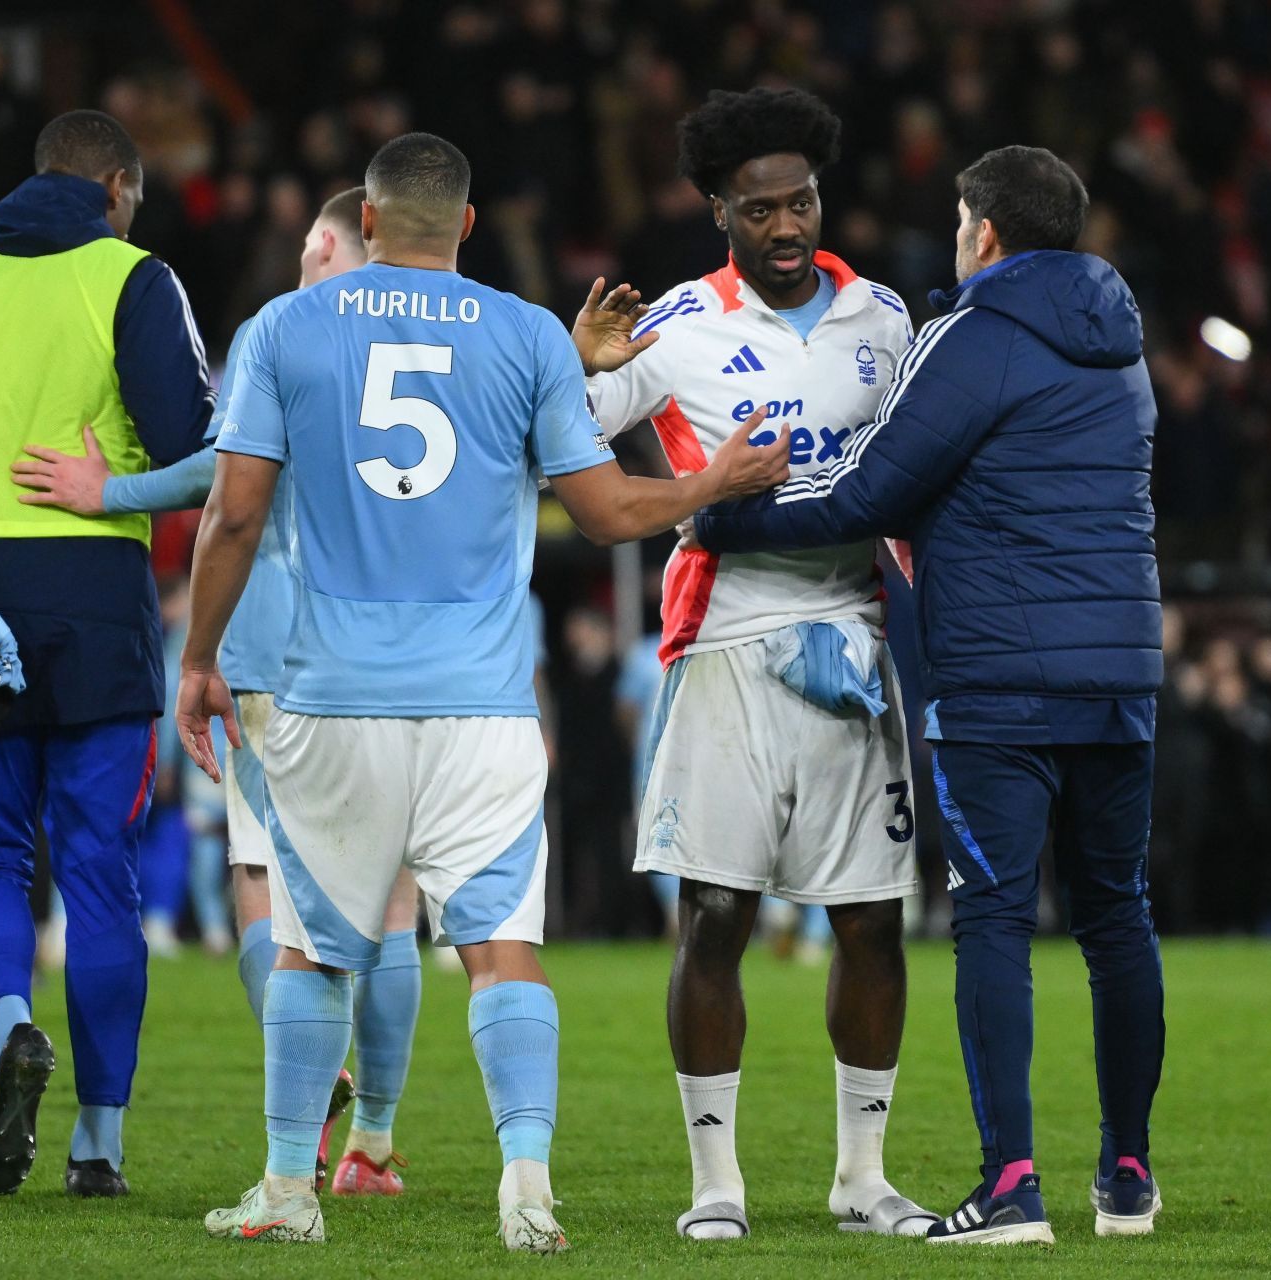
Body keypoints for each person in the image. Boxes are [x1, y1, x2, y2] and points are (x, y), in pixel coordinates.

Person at [176, 131, 787, 1248]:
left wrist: (200, 657)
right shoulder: (523, 332)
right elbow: (603, 513)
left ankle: (288, 1186)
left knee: (314, 945)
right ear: (464, 226)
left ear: (365, 223)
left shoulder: (282, 329)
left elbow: (234, 513)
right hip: (487, 703)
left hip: (332, 695)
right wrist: (710, 480)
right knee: (502, 944)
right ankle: (525, 1178)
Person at [692, 145, 1167, 1243]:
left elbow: (869, 490)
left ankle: (1012, 1184)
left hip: (1002, 675)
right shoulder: (1123, 344)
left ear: (984, 232)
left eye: (961, 224)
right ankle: (1129, 1173)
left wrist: (723, 512)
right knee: (1117, 917)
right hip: (1122, 669)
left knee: (995, 916)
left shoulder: (975, 335)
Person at [572, 86, 933, 1241]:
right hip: (725, 634)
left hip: (855, 637)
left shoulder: (881, 319)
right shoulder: (674, 325)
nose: (787, 225)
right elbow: (567, 447)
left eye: (803, 202)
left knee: (872, 918)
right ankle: (715, 1185)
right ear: (719, 210)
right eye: (762, 207)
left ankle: (861, 1175)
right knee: (716, 911)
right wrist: (581, 370)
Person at [8, 186, 417, 1196]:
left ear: (323, 240)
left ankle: (301, 1140)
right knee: (395, 899)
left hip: (278, 650)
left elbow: (222, 483)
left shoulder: (280, 331)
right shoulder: (440, 340)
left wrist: (110, 491)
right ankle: (372, 1141)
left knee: (265, 893)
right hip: (409, 658)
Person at [0, 109, 214, 1198]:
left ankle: (13, 1022)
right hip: (96, 606)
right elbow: (202, 455)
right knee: (100, 873)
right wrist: (108, 482)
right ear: (115, 186)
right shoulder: (133, 276)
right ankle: (99, 1141)